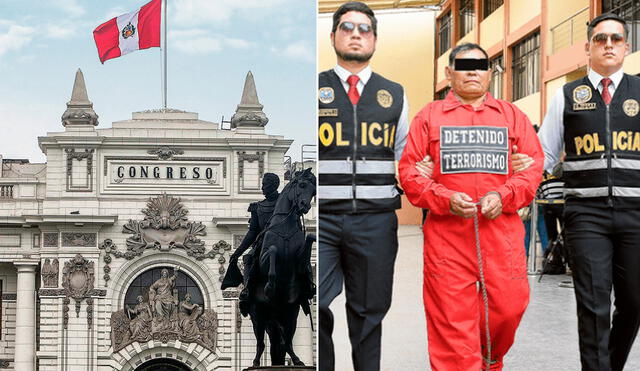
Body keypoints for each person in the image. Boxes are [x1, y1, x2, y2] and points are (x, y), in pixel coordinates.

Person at [399, 43, 543, 371]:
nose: (473, 71)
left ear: (490, 73)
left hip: (502, 235)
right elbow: (408, 172)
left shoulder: (512, 117)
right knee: (451, 323)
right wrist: (444, 198)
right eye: (464, 65)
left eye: (480, 65)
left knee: (509, 307)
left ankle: (489, 358)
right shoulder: (429, 117)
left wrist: (504, 195)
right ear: (449, 73)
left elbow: (534, 166)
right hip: (447, 240)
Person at [538, 13, 640, 371]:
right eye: (600, 39)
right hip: (586, 215)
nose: (608, 44)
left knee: (634, 302)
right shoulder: (566, 95)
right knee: (593, 305)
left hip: (636, 215)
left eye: (615, 38)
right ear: (588, 48)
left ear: (627, 47)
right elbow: (544, 154)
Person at [317, 2, 409, 370]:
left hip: (375, 221)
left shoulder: (395, 94)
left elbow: (411, 156)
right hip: (321, 221)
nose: (356, 34)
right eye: (347, 27)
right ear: (333, 35)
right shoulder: (314, 87)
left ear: (375, 39)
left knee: (369, 313)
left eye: (364, 28)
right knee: (312, 302)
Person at [224, 173, 280, 314]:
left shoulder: (284, 203)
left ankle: (308, 286)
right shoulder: (257, 207)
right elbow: (252, 233)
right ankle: (247, 290)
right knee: (248, 258)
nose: (262, 188)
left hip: (282, 242)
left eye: (265, 185)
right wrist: (237, 253)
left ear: (274, 186)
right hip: (263, 245)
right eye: (262, 185)